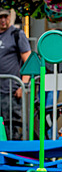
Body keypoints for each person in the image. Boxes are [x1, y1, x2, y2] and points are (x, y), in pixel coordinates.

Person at [0, 8, 31, 140]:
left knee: (12, 126)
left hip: (11, 89)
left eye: (5, 17)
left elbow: (28, 60)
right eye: (0, 17)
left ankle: (15, 157)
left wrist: (23, 84)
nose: (3, 20)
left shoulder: (17, 34)